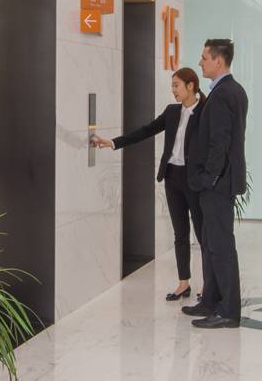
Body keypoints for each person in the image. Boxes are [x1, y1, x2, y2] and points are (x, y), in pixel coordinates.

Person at [93, 68, 205, 301]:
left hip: (195, 180)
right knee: (180, 233)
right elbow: (146, 131)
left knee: (203, 235)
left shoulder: (205, 111)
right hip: (172, 177)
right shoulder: (172, 112)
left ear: (191, 86)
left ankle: (208, 286)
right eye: (172, 86)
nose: (173, 90)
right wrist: (113, 142)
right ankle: (183, 283)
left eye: (176, 85)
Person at [182, 38, 248, 329]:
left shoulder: (223, 94)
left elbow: (220, 142)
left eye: (204, 58)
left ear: (218, 61)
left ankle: (228, 310)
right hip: (220, 182)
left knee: (220, 247)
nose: (200, 62)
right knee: (210, 243)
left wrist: (209, 178)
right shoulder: (232, 90)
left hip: (218, 185)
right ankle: (210, 300)